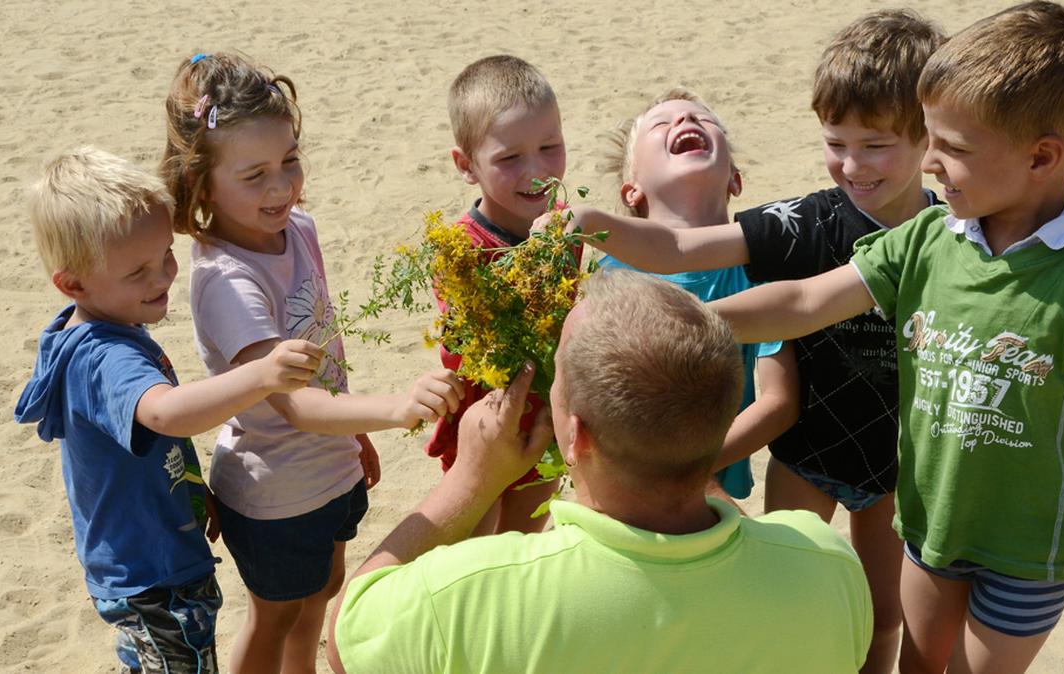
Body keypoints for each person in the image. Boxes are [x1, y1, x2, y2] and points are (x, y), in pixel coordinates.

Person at [705, 3, 1064, 672]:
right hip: (928, 528)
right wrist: (695, 319)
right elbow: (803, 301)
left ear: (1040, 156)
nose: (928, 162)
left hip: (1027, 551)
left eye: (952, 148)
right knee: (917, 665)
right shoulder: (927, 239)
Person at [538, 13, 944, 671]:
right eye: (835, 143)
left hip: (905, 462)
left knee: (881, 617)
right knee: (790, 601)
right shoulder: (804, 222)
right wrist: (593, 223)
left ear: (931, 136)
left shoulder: (953, 230)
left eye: (875, 145)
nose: (851, 165)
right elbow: (675, 245)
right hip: (807, 455)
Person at [328, 270, 874, 673]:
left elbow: (344, 640)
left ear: (577, 435)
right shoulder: (826, 565)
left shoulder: (465, 595)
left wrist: (469, 481)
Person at [160, 52, 464, 674]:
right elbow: (295, 402)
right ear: (199, 182)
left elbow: (326, 358)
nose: (281, 186)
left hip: (330, 467)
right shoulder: (228, 282)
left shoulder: (298, 228)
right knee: (273, 620)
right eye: (255, 175)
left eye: (290, 160)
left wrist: (351, 437)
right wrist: (394, 410)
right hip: (275, 492)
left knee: (321, 599)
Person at [14, 147, 324, 674]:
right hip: (150, 575)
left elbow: (148, 445)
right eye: (138, 272)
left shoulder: (97, 326)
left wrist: (191, 495)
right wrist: (262, 372)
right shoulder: (105, 355)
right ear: (73, 284)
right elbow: (166, 415)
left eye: (165, 256)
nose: (162, 278)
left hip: (149, 556)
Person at [595, 87, 798, 501]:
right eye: (662, 122)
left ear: (735, 180)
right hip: (624, 485)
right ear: (631, 191)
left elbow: (780, 400)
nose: (685, 122)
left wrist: (693, 468)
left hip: (711, 486)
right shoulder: (612, 276)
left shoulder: (759, 270)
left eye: (702, 119)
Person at [427, 54, 569, 535]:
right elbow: (469, 343)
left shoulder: (565, 227)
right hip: (484, 423)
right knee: (476, 542)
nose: (537, 171)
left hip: (544, 418)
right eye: (510, 158)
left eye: (550, 146)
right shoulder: (460, 249)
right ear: (466, 166)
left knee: (525, 538)